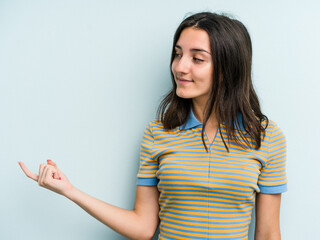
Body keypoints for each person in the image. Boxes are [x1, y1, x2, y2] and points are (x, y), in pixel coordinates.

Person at [19, 12, 287, 240]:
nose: (179, 67)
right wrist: (70, 191)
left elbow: (267, 234)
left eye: (197, 58)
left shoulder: (266, 136)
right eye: (178, 54)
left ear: (229, 67)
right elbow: (143, 227)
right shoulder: (158, 133)